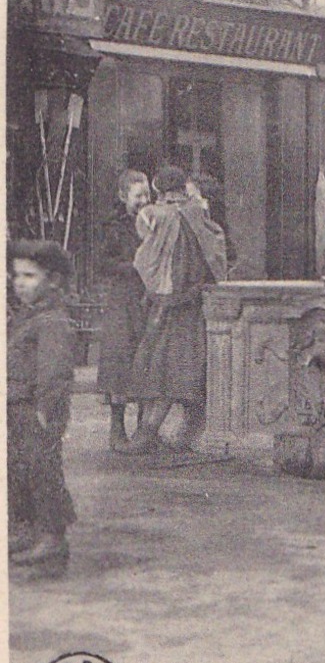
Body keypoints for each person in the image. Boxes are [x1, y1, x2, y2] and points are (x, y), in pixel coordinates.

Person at [121, 167, 227, 456]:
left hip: (169, 305)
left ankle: (147, 434)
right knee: (191, 370)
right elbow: (216, 255)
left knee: (164, 368)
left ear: (159, 189)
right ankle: (186, 435)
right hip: (194, 303)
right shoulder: (199, 215)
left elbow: (145, 258)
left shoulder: (158, 215)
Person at [8, 240, 77, 579]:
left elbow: (54, 370)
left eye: (29, 276)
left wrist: (46, 409)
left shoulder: (51, 320)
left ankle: (52, 536)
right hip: (17, 407)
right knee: (18, 469)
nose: (19, 283)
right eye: (16, 275)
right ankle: (27, 529)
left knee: (43, 470)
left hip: (37, 410)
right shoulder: (27, 316)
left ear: (53, 281)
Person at [96, 169, 151, 450]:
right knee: (120, 363)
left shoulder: (153, 222)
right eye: (138, 195)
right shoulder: (113, 227)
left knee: (146, 361)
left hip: (147, 299)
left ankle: (144, 431)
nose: (144, 201)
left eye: (147, 195)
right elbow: (103, 264)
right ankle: (117, 430)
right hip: (122, 299)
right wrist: (133, 267)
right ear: (123, 196)